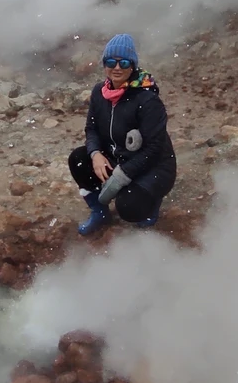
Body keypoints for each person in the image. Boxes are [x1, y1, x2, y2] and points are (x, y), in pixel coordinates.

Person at [68, 33, 177, 236]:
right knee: (78, 159)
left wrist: (122, 175)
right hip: (120, 157)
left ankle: (152, 200)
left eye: (124, 62)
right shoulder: (99, 92)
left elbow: (154, 149)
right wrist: (95, 154)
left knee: (129, 208)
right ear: (104, 64)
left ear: (132, 65)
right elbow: (91, 128)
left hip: (155, 166)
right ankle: (99, 212)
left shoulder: (147, 99)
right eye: (111, 61)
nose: (117, 67)